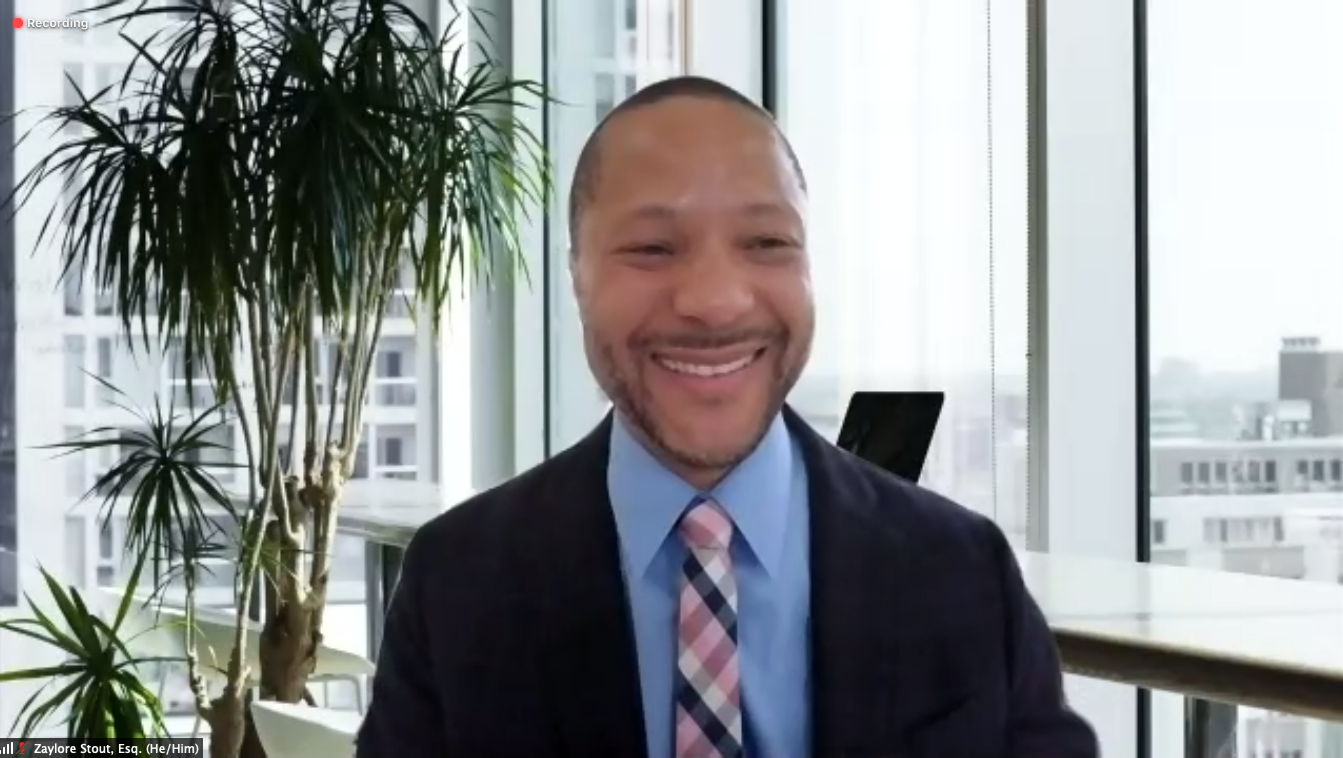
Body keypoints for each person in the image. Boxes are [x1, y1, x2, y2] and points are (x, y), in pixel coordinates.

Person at [355, 75, 1100, 758]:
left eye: (767, 242)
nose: (714, 301)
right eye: (653, 247)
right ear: (576, 275)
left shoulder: (962, 572)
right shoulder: (461, 582)